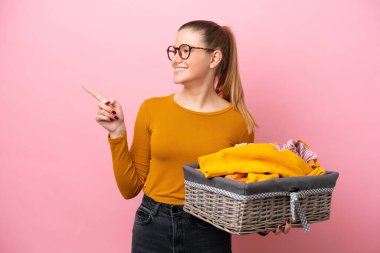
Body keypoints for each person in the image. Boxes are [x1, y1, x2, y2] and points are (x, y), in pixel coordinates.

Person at [84, 20, 290, 253]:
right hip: (152, 225)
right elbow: (129, 188)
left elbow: (241, 189)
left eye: (186, 50)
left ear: (214, 58)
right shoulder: (152, 109)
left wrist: (268, 221)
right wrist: (117, 132)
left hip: (209, 229)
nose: (176, 59)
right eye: (174, 51)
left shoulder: (238, 121)